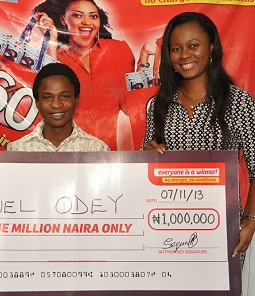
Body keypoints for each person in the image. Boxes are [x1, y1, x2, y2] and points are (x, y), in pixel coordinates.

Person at [142, 11, 255, 284]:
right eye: (176, 48)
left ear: (212, 47)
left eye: (193, 46)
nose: (184, 55)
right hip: (166, 229)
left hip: (222, 229)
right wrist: (145, 155)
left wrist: (249, 221)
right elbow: (147, 173)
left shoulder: (239, 103)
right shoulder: (158, 105)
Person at [32, 0, 135, 151]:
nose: (87, 22)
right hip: (62, 153)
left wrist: (143, 61)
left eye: (93, 17)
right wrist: (51, 41)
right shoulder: (54, 57)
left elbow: (130, 108)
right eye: (77, 15)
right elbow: (46, 97)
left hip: (105, 155)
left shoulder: (119, 50)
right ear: (63, 20)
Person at [7, 62, 109, 151]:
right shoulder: (18, 150)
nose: (56, 105)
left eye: (65, 96)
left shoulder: (97, 149)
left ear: (76, 99)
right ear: (37, 102)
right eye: (47, 97)